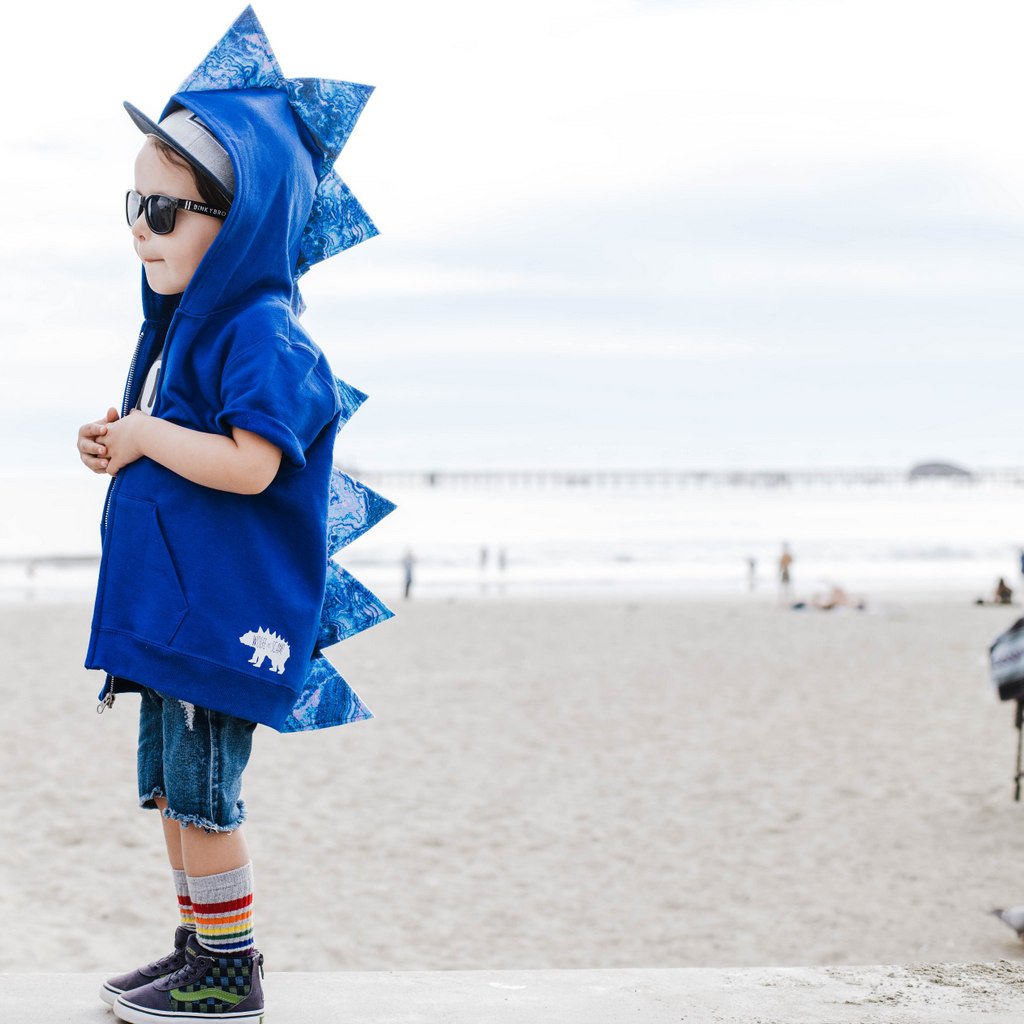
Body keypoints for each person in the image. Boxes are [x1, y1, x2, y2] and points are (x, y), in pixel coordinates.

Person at [76, 8, 388, 1021]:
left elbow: (252, 467)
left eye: (165, 212)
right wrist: (122, 440)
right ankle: (197, 943)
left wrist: (147, 441)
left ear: (241, 221)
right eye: (135, 204)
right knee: (173, 794)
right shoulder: (190, 329)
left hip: (223, 613)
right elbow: (179, 447)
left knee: (207, 798)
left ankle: (230, 966)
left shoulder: (266, 336)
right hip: (178, 609)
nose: (139, 229)